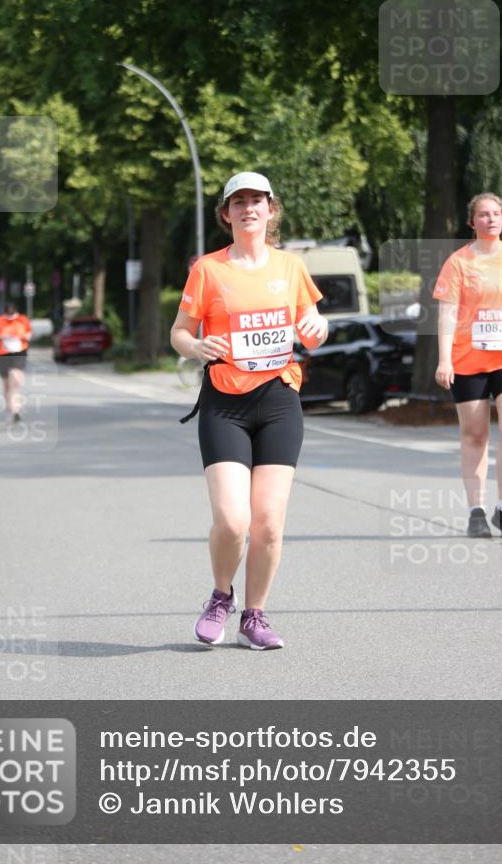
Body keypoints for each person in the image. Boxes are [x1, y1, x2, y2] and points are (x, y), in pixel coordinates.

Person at [171, 171, 328, 650]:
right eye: (238, 202)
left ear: (270, 209)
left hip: (279, 401)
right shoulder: (208, 270)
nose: (248, 208)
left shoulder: (290, 267)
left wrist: (318, 327)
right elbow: (179, 332)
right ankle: (221, 596)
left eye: (256, 200)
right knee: (232, 520)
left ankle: (254, 617)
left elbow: (313, 322)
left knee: (269, 524)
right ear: (226, 214)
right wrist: (196, 346)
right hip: (225, 403)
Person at [434, 193, 502, 538]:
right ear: (472, 222)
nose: (491, 219)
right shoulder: (458, 262)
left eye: (496, 213)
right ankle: (476, 511)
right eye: (483, 214)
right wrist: (444, 359)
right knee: (475, 434)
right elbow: (447, 312)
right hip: (468, 359)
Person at [0, 302, 32, 423]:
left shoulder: (22, 320)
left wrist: (22, 336)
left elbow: (29, 335)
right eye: (8, 314)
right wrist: (2, 336)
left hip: (19, 353)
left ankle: (16, 410)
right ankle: (11, 408)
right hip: (1, 355)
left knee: (16, 381)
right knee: (7, 385)